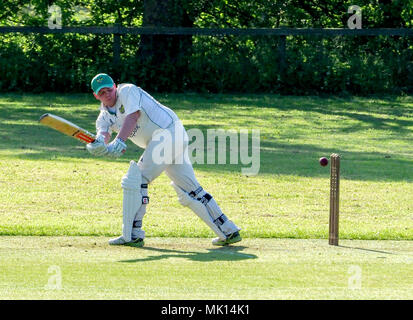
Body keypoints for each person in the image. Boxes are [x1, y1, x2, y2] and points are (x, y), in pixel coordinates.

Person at [86, 73, 241, 247]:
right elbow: (103, 132)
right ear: (96, 96)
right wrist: (99, 143)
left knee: (136, 179)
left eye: (109, 89)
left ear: (115, 86)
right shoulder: (104, 115)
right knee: (191, 188)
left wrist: (120, 140)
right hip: (169, 138)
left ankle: (132, 234)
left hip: (167, 133)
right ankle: (228, 230)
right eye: (101, 93)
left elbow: (133, 116)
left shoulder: (127, 91)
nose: (107, 94)